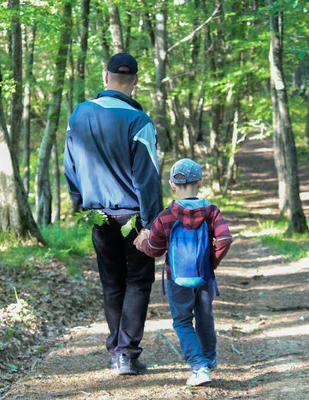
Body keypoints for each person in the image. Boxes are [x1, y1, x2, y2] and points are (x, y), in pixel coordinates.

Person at [63, 53, 163, 375]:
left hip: (97, 216)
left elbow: (70, 166)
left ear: (106, 78)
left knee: (112, 283)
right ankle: (126, 355)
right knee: (137, 282)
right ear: (135, 80)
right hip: (134, 217)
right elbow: (147, 178)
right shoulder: (139, 122)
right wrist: (152, 224)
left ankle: (116, 352)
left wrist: (80, 201)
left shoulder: (79, 114)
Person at [134, 158, 233, 386]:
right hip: (204, 277)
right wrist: (211, 262)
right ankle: (208, 358)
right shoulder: (211, 212)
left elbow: (156, 250)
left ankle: (198, 367)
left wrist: (141, 242)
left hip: (176, 278)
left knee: (182, 322)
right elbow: (225, 238)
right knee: (205, 318)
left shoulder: (166, 216)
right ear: (200, 181)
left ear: (171, 184)